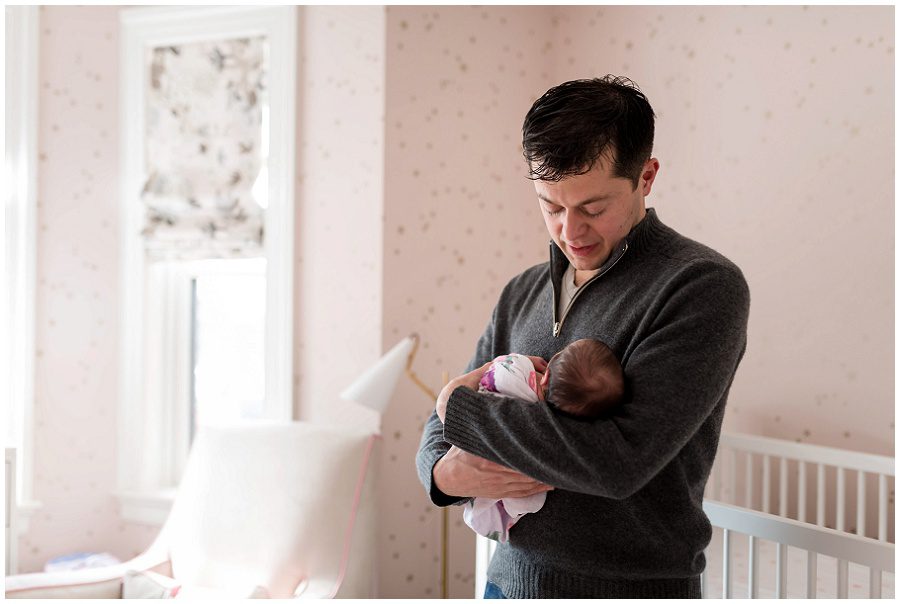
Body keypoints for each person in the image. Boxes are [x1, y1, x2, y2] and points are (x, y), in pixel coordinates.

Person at [415, 75, 750, 599]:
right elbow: (435, 437)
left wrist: (457, 407)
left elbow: (617, 462)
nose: (571, 232)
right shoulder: (522, 290)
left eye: (593, 208)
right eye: (551, 207)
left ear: (646, 176)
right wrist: (443, 476)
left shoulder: (699, 286)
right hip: (506, 583)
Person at [461, 339, 625, 544]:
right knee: (532, 496)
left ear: (546, 375)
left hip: (471, 445)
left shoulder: (518, 368)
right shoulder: (554, 437)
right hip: (472, 461)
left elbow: (497, 367)